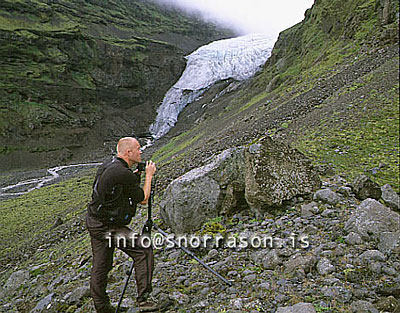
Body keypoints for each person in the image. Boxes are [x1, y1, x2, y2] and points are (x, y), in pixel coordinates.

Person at [86, 137, 158, 313]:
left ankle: (103, 309)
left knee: (101, 265)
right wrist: (148, 175)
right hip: (107, 227)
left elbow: (115, 189)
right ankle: (144, 300)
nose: (141, 152)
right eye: (138, 149)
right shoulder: (123, 173)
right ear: (128, 152)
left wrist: (134, 178)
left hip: (95, 222)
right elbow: (143, 198)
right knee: (143, 250)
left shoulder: (109, 166)